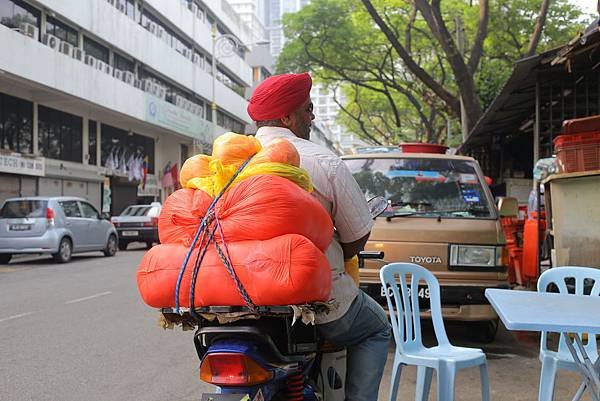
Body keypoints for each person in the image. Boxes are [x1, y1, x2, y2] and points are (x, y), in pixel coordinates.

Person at [248, 72, 391, 401]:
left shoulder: (234, 161)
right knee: (377, 328)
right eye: (308, 109)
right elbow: (356, 239)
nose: (312, 117)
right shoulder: (322, 160)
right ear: (288, 116)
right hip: (314, 303)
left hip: (237, 298)